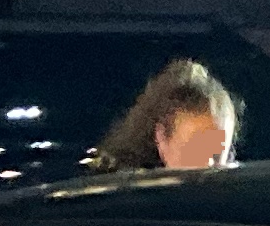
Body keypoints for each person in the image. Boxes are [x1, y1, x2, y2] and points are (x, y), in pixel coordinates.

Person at [90, 61, 238, 172]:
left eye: (217, 154)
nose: (208, 164)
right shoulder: (113, 195)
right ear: (161, 139)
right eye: (195, 151)